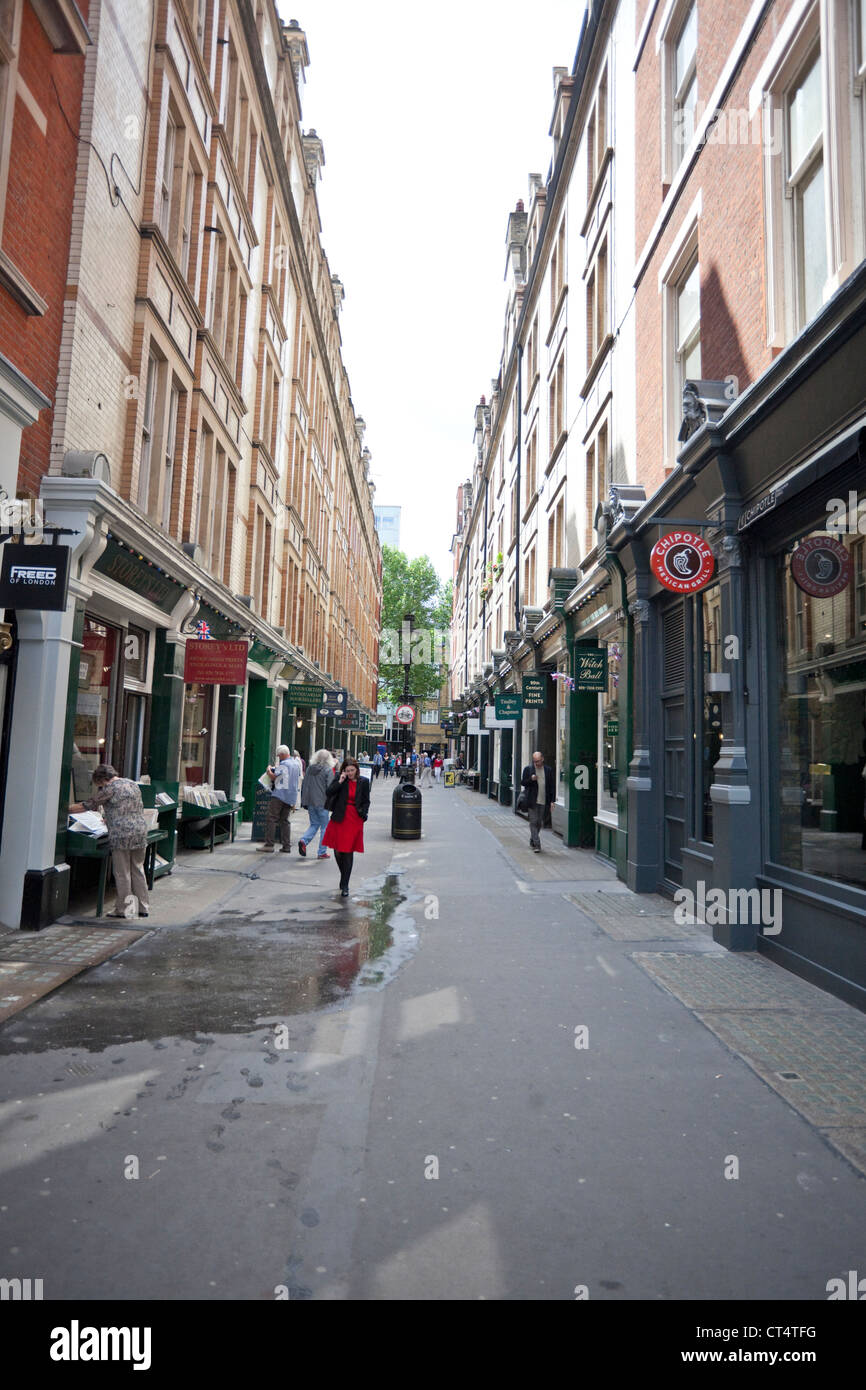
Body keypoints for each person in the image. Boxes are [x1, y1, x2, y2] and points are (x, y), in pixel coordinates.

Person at [69, 764, 150, 917]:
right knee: (138, 869)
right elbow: (129, 807)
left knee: (122, 873)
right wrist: (111, 817)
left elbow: (87, 805)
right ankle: (143, 908)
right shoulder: (132, 784)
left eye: (98, 784)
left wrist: (64, 809)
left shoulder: (109, 788)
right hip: (140, 831)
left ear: (102, 780)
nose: (99, 787)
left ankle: (124, 910)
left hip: (121, 835)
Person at [322, 757, 370, 897]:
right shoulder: (340, 779)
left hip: (354, 819)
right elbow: (329, 792)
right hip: (339, 817)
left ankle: (345, 885)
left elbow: (366, 801)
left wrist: (364, 815)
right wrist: (340, 780)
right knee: (337, 851)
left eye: (352, 770)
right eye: (347, 770)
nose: (349, 773)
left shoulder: (364, 782)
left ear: (357, 770)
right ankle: (344, 876)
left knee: (348, 851)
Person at [258, 744, 300, 853]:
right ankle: (286, 846)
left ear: (282, 754)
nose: (278, 757)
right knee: (285, 821)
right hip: (291, 796)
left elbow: (276, 779)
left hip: (280, 795)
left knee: (271, 818)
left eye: (279, 756)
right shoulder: (296, 764)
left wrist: (268, 771)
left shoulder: (284, 764)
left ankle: (269, 844)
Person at [298, 749, 335, 859]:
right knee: (325, 827)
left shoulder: (309, 769)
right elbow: (330, 788)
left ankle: (303, 840)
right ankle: (321, 852)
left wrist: (304, 801)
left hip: (310, 802)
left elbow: (305, 785)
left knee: (314, 824)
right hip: (323, 802)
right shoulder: (328, 770)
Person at [521, 750, 556, 853]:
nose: (537, 763)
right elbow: (523, 782)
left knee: (539, 823)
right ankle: (537, 844)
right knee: (533, 822)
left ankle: (532, 839)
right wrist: (531, 779)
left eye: (538, 761)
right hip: (532, 800)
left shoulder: (548, 770)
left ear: (543, 759)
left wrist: (552, 801)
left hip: (544, 800)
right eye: (535, 761)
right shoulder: (528, 769)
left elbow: (551, 787)